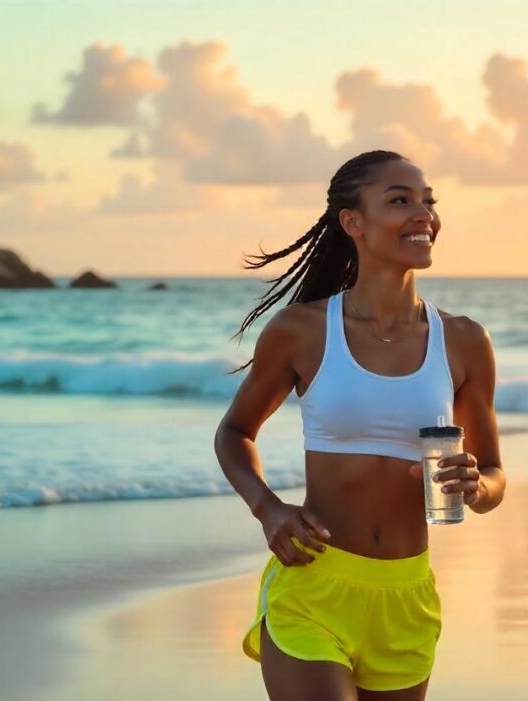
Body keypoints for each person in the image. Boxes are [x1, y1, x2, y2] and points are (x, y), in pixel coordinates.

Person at [214, 150, 505, 701]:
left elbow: (493, 478)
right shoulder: (302, 330)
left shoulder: (465, 340)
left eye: (428, 202)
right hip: (314, 585)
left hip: (406, 593)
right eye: (400, 200)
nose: (424, 214)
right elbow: (235, 432)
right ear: (353, 223)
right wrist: (268, 509)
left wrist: (478, 485)